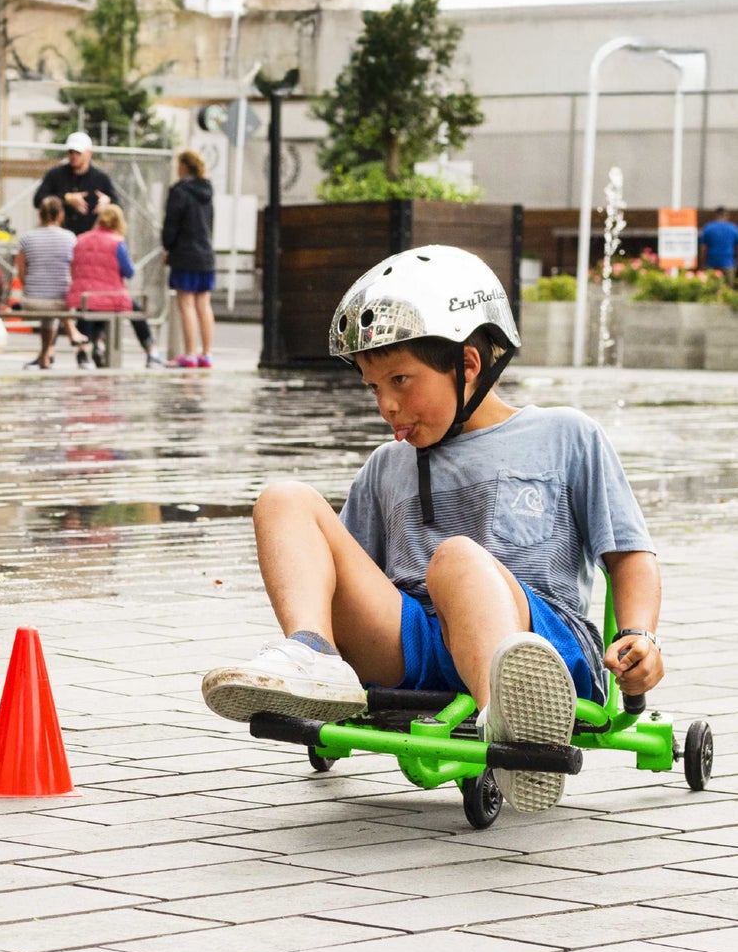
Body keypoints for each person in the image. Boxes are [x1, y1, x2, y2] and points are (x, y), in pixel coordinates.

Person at [200, 245, 662, 814]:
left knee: (457, 560)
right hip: (416, 639)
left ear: (468, 365)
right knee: (282, 498)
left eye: (401, 379)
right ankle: (311, 657)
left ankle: (512, 719)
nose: (387, 406)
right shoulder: (386, 466)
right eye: (373, 387)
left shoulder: (566, 436)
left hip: (541, 641)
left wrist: (639, 636)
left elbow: (630, 556)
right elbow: (349, 578)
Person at [68, 204, 163, 369]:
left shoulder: (81, 239)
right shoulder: (117, 243)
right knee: (136, 311)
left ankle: (85, 350)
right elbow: (129, 271)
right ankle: (151, 352)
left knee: (91, 308)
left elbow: (73, 266)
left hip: (85, 296)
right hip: (112, 295)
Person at [15, 196, 89, 371]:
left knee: (50, 313)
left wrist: (33, 287)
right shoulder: (70, 238)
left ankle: (44, 357)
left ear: (39, 215)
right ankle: (71, 331)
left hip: (31, 300)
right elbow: (75, 272)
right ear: (61, 215)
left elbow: (21, 273)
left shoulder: (27, 238)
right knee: (60, 302)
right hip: (60, 303)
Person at [161, 148, 217, 368]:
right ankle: (207, 353)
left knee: (186, 305)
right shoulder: (207, 191)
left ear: (184, 167)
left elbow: (171, 224)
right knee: (204, 305)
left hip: (185, 253)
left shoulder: (180, 191)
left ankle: (189, 354)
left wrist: (168, 246)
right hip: (205, 254)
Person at [32, 130, 119, 238]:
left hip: (90, 239)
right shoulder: (55, 175)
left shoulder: (100, 178)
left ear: (89, 153)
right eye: (70, 152)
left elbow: (118, 206)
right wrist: (66, 198)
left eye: (78, 152)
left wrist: (108, 202)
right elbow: (38, 200)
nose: (74, 156)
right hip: (60, 238)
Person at [698, 208, 737, 286]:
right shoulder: (733, 228)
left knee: (711, 288)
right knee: (728, 289)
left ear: (716, 215)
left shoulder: (708, 228)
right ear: (727, 216)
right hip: (728, 263)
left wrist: (702, 264)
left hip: (711, 263)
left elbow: (703, 248)